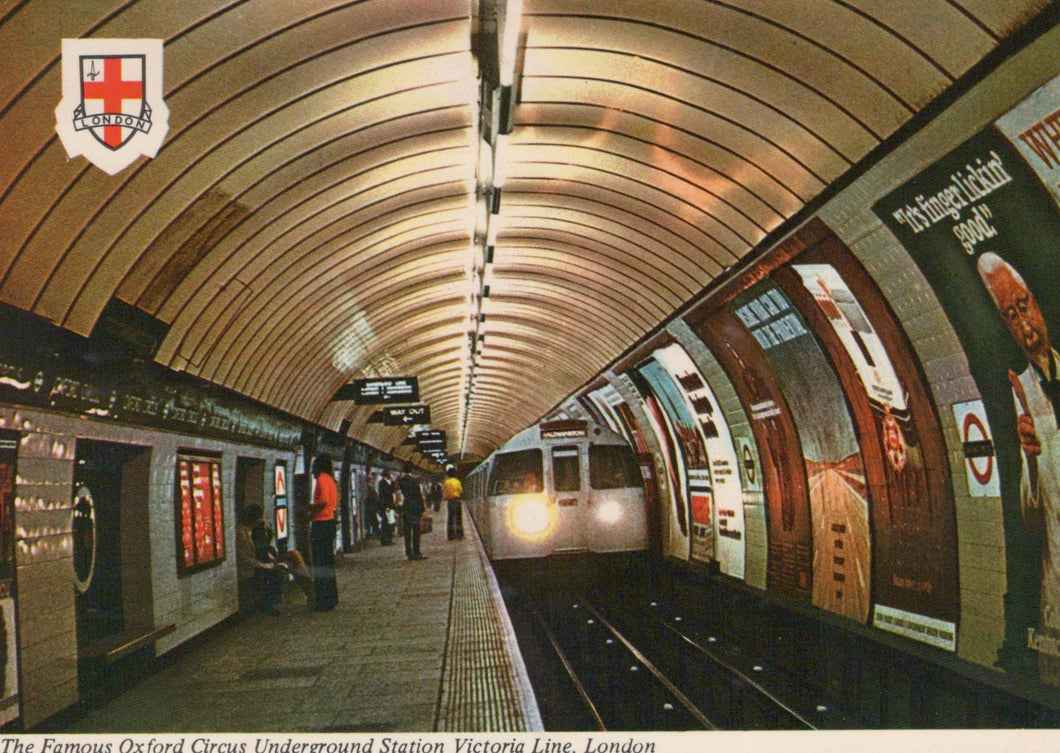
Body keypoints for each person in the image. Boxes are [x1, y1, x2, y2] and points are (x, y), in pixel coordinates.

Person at [978, 252, 1060, 684]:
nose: (1024, 325)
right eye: (1010, 316)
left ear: (1039, 302)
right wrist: (1029, 457)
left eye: (1024, 305)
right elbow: (1031, 522)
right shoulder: (1021, 393)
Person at [236, 504, 284, 616]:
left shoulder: (251, 531)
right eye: (260, 517)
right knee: (274, 573)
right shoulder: (241, 533)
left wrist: (269, 537)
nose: (263, 520)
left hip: (254, 564)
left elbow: (260, 549)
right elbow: (245, 558)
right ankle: (267, 605)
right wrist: (263, 565)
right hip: (246, 569)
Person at [250, 518, 314, 601]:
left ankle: (311, 589)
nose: (264, 520)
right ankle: (311, 590)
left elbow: (264, 549)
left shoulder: (257, 531)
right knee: (293, 561)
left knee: (294, 554)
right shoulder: (249, 533)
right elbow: (259, 552)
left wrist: (269, 537)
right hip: (264, 561)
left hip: (269, 557)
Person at [309, 454, 339, 611]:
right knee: (328, 562)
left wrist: (308, 511)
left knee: (320, 563)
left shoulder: (321, 478)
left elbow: (323, 502)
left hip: (321, 523)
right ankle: (331, 598)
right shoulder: (331, 480)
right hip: (329, 522)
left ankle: (323, 601)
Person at [398, 468, 427, 560]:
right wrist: (422, 509)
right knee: (416, 531)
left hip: (406, 508)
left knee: (407, 532)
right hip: (415, 509)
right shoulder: (415, 481)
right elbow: (418, 495)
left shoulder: (401, 481)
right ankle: (417, 552)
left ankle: (408, 553)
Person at [444, 464, 464, 540]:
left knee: (450, 519)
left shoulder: (446, 482)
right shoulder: (457, 482)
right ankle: (459, 535)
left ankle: (450, 536)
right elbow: (461, 491)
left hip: (450, 501)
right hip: (457, 500)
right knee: (458, 518)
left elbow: (445, 493)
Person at [377, 470, 396, 545]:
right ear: (387, 475)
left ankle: (388, 539)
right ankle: (385, 540)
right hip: (385, 506)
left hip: (387, 506)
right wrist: (387, 506)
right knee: (385, 524)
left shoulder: (385, 482)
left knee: (387, 524)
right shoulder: (382, 483)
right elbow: (387, 494)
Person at [363, 472, 379, 539]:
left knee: (372, 521)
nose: (373, 480)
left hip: (371, 507)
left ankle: (372, 534)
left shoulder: (370, 487)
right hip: (370, 507)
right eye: (372, 479)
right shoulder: (368, 488)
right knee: (372, 521)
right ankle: (372, 535)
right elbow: (369, 497)